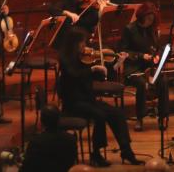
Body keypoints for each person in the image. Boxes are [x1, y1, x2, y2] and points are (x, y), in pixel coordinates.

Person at [57, 27, 138, 166]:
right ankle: (96, 154)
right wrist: (92, 69)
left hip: (88, 100)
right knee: (100, 115)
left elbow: (99, 78)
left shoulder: (85, 58)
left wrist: (113, 65)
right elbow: (74, 75)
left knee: (117, 113)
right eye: (82, 43)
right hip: (73, 103)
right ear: (74, 43)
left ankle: (126, 151)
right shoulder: (66, 60)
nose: (85, 46)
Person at [119, 2, 165, 131]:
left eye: (152, 19)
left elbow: (157, 48)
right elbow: (123, 51)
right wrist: (141, 56)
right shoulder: (129, 29)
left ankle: (163, 116)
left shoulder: (153, 29)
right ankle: (140, 117)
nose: (150, 22)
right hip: (133, 66)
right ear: (142, 16)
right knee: (140, 83)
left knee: (163, 81)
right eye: (148, 19)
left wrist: (157, 56)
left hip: (149, 66)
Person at [20, 107, 77, 172]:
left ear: (42, 122)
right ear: (59, 120)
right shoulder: (71, 139)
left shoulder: (36, 142)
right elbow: (71, 162)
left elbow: (27, 166)